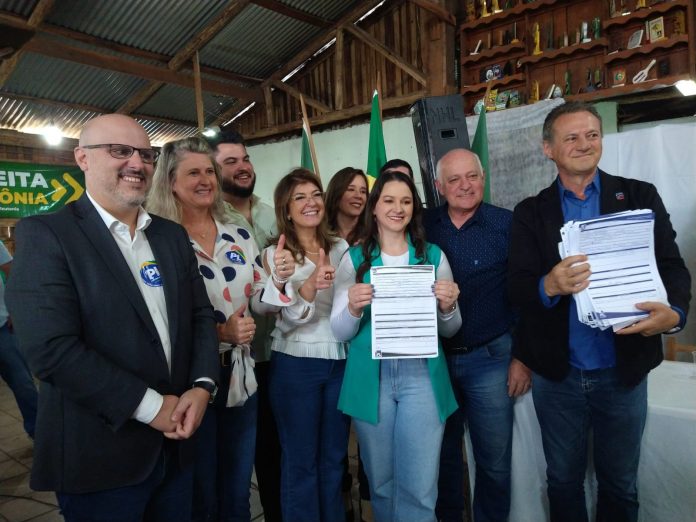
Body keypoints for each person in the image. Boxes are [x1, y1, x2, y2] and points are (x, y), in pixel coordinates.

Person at [6, 114, 219, 522]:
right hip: (101, 457)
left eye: (146, 154)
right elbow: (50, 350)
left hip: (178, 445)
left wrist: (203, 386)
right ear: (82, 158)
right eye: (120, 151)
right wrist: (151, 407)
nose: (136, 163)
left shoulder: (171, 235)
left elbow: (200, 315)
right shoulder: (47, 235)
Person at [508, 101, 691, 522]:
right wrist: (548, 285)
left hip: (623, 372)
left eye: (592, 135)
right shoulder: (530, 212)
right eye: (571, 137)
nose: (584, 144)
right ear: (548, 149)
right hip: (558, 375)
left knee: (620, 485)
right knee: (563, 482)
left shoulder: (639, 195)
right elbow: (516, 288)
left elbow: (672, 267)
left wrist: (676, 314)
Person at [331, 170, 462, 522]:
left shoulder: (433, 256)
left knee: (419, 487)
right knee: (382, 484)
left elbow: (451, 330)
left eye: (405, 201)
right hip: (369, 379)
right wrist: (353, 308)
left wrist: (448, 307)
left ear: (414, 209)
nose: (397, 208)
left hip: (422, 376)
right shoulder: (353, 259)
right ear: (374, 207)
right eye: (388, 200)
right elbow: (339, 331)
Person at [147, 137, 265, 521]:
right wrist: (219, 334)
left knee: (237, 491)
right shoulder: (155, 241)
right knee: (201, 494)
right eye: (193, 173)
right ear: (170, 182)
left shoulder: (238, 234)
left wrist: (287, 283)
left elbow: (261, 298)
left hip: (240, 377)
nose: (205, 180)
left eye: (209, 171)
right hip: (188, 381)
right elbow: (155, 319)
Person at [424, 148, 530, 522]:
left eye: (472, 176)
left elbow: (525, 295)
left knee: (494, 463)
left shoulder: (507, 224)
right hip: (435, 362)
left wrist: (522, 357)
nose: (464, 185)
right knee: (442, 459)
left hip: (492, 359)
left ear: (483, 178)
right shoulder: (422, 227)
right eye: (454, 179)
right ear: (439, 186)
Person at [253, 168, 350, 522]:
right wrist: (306, 285)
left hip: (339, 362)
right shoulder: (274, 255)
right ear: (286, 209)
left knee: (333, 460)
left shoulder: (340, 247)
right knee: (300, 463)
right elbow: (273, 314)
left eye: (315, 194)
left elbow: (348, 308)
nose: (311, 203)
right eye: (300, 197)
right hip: (296, 366)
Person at [204, 128, 282, 520]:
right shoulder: (212, 219)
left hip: (277, 351)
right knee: (226, 467)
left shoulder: (272, 213)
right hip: (232, 360)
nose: (242, 167)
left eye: (245, 158)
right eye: (230, 161)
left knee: (274, 452)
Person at [0, 241, 37, 439]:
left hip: (2, 328)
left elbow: (11, 272)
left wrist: (14, 309)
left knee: (23, 384)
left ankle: (40, 432)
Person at [325, 167, 368, 245]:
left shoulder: (372, 236)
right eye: (351, 189)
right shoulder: (321, 235)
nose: (359, 196)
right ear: (336, 193)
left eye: (363, 191)